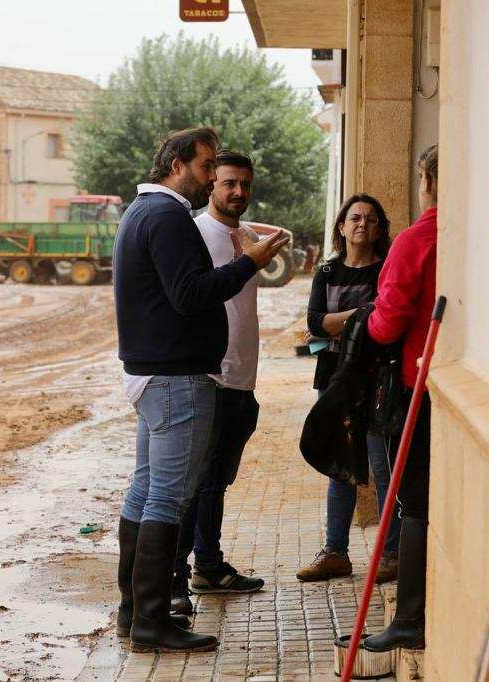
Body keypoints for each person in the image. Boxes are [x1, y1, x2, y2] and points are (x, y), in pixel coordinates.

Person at [113, 128, 289, 653]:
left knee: (146, 492)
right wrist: (250, 263)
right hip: (175, 377)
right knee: (167, 497)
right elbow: (190, 295)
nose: (213, 177)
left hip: (155, 375)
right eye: (207, 166)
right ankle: (151, 622)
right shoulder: (167, 217)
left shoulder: (141, 213)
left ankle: (134, 614)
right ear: (175, 162)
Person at [171, 151, 269, 616]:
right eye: (229, 182)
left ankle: (207, 565)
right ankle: (174, 579)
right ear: (211, 183)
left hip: (242, 379)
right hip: (210, 377)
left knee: (215, 484)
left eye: (245, 184)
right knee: (190, 485)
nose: (238, 192)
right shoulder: (194, 233)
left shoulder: (245, 235)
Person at [296, 194, 401, 583]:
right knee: (339, 463)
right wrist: (361, 314)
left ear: (379, 230)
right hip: (333, 377)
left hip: (374, 380)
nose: (362, 224)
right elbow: (315, 321)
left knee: (381, 466)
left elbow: (384, 318)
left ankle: (392, 553)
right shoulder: (326, 272)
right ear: (341, 226)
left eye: (371, 220)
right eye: (354, 218)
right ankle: (336, 552)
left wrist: (337, 322)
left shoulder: (385, 270)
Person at [362, 145, 438, 653]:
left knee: (413, 502)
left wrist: (365, 321)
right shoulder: (481, 230)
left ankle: (409, 617)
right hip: (447, 383)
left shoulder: (417, 239)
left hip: (418, 390)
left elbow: (386, 324)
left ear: (427, 179)